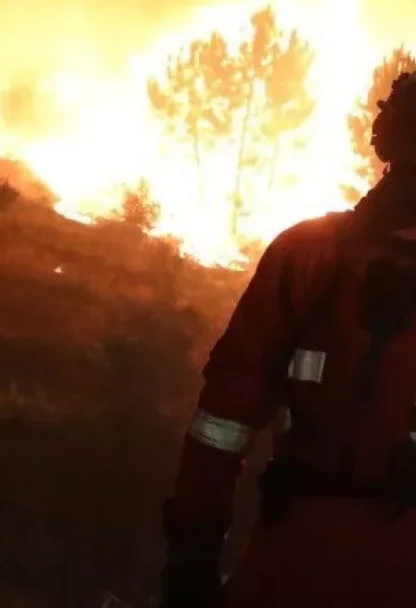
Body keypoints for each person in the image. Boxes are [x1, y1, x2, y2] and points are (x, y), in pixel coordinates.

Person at [160, 71, 416, 608]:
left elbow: (221, 425)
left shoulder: (307, 255)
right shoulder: (312, 256)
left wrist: (193, 553)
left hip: (290, 560)